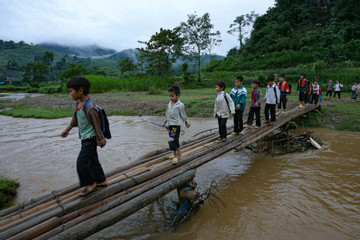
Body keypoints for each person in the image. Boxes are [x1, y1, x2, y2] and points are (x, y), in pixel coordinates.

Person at [61, 76, 107, 197]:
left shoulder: (90, 107)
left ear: (80, 91)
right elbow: (75, 119)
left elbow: (96, 125)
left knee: (82, 162)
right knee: (93, 160)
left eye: (71, 91)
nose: (70, 94)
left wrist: (101, 139)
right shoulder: (79, 104)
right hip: (85, 138)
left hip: (91, 138)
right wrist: (67, 130)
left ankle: (90, 184)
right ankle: (101, 180)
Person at [164, 86, 190, 164]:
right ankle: (178, 153)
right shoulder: (170, 103)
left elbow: (183, 114)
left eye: (172, 96)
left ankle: (176, 155)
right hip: (170, 124)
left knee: (173, 140)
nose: (171, 98)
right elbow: (167, 113)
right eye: (170, 96)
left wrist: (186, 121)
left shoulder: (180, 105)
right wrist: (165, 121)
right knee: (173, 139)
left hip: (176, 125)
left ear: (178, 95)